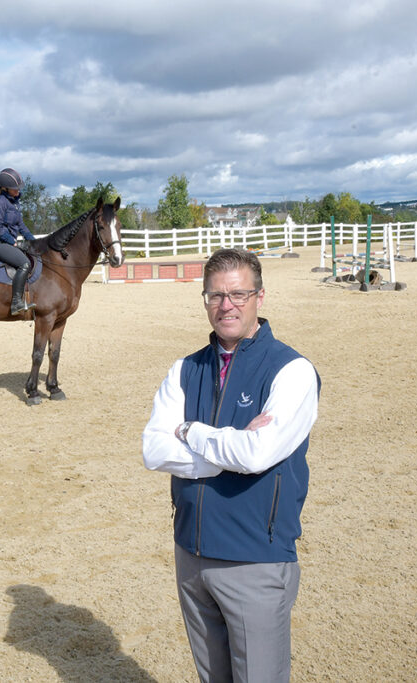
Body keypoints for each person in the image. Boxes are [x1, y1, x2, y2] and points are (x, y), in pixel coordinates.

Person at [142, 248, 320, 682]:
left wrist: (190, 431)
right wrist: (228, 454)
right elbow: (152, 450)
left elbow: (258, 454)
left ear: (261, 296)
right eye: (216, 296)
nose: (227, 306)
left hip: (253, 560)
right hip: (192, 555)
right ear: (204, 300)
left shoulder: (292, 371)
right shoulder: (184, 368)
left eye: (239, 294)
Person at [0, 167, 37, 315]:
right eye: (15, 188)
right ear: (5, 188)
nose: (18, 191)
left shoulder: (14, 203)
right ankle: (16, 303)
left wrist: (34, 241)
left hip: (7, 242)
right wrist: (12, 242)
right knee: (24, 263)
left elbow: (21, 225)